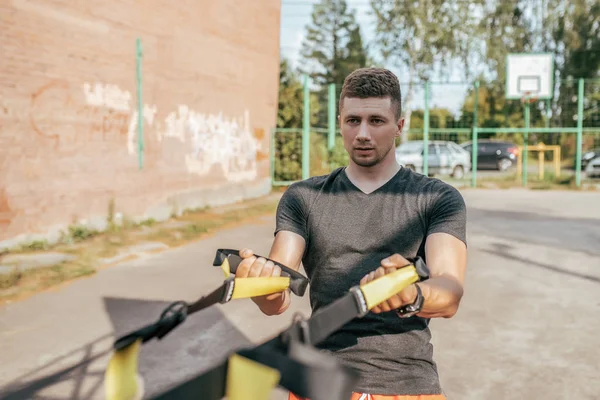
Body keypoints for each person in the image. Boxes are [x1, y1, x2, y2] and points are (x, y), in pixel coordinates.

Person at [235, 67, 468, 400]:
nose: (362, 133)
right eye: (352, 120)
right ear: (339, 122)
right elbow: (277, 299)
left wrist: (412, 294)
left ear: (399, 126)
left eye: (376, 121)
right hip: (321, 382)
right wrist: (258, 282)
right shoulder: (304, 197)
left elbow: (450, 292)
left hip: (406, 383)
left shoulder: (436, 198)